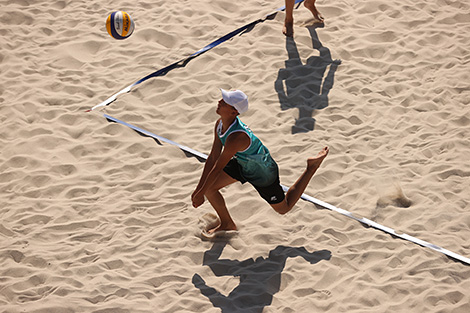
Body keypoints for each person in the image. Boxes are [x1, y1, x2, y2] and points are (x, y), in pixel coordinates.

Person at [191, 89, 329, 234]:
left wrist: (200, 193)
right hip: (243, 163)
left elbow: (218, 166)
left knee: (283, 208)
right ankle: (227, 223)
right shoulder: (220, 124)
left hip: (262, 171)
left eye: (225, 102)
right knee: (209, 189)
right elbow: (213, 157)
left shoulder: (236, 138)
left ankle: (311, 168)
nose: (219, 102)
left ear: (234, 112)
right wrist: (199, 189)